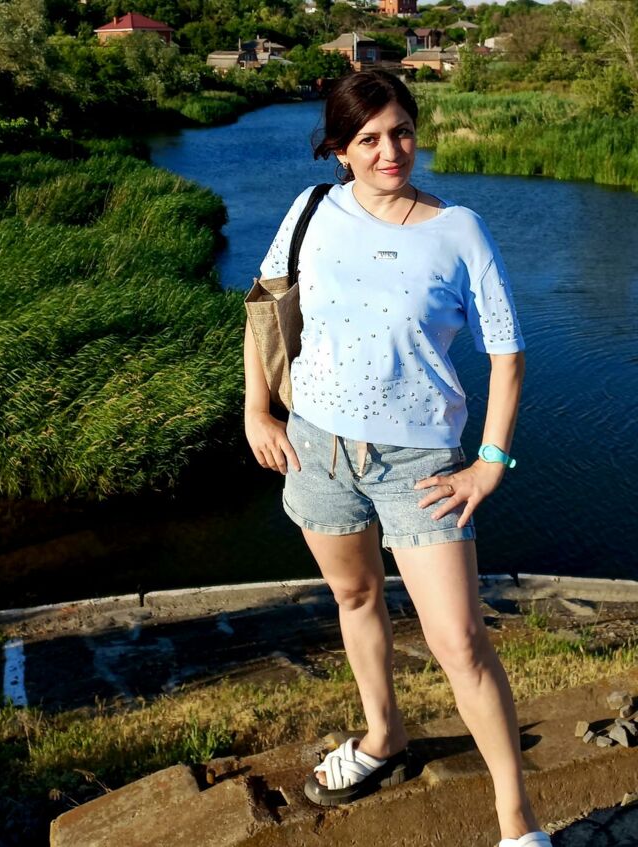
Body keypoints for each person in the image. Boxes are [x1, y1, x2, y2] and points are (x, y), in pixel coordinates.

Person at [243, 70, 550, 847]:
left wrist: (491, 460)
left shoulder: (459, 230)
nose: (391, 151)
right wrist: (257, 409)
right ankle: (384, 737)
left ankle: (517, 819)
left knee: (459, 641)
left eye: (402, 131)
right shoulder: (311, 210)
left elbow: (508, 355)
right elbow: (263, 305)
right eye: (369, 138)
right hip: (316, 449)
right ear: (339, 150)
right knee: (354, 596)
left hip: (420, 465)